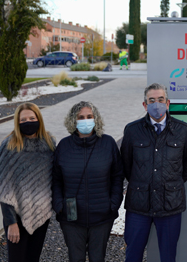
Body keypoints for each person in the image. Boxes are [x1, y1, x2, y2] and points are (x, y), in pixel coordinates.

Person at [121, 83, 187, 262]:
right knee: (133, 255)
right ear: (145, 105)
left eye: (160, 100)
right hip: (139, 206)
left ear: (168, 103)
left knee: (168, 256)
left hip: (170, 205)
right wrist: (142, 183)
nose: (156, 104)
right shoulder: (132, 130)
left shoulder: (183, 130)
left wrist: (169, 183)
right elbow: (126, 165)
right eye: (151, 100)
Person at [52, 101, 124, 262]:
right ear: (73, 120)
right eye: (81, 117)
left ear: (96, 119)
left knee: (97, 258)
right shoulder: (64, 146)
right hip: (71, 218)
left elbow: (117, 176)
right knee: (75, 258)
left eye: (89, 116)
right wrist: (59, 205)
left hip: (102, 217)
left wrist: (113, 204)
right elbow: (56, 179)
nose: (85, 120)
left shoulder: (108, 143)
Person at [0, 103, 55, 262]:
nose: (28, 122)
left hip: (41, 215)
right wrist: (11, 223)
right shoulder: (10, 146)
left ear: (38, 119)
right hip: (16, 218)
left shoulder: (49, 143)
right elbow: (3, 189)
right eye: (23, 119)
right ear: (17, 123)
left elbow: (54, 177)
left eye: (32, 118)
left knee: (33, 258)